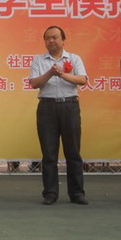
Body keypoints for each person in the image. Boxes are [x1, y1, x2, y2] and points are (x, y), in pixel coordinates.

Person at [29, 26, 88, 205]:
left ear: (63, 40)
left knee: (73, 152)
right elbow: (34, 83)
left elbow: (82, 80)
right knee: (49, 154)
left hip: (69, 105)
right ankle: (50, 193)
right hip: (47, 107)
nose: (51, 41)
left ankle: (77, 193)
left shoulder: (74, 58)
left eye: (55, 37)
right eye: (48, 38)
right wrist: (50, 73)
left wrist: (62, 74)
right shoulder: (38, 60)